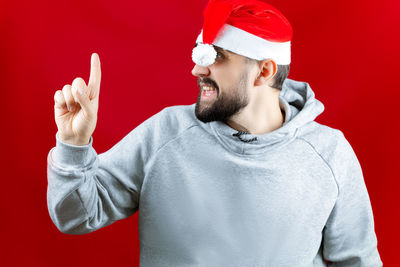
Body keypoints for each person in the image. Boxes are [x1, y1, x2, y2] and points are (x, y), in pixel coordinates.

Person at [47, 0, 382, 266]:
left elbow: (358, 261)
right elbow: (76, 216)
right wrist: (73, 145)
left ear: (263, 71)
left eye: (214, 57)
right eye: (198, 54)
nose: (196, 69)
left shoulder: (330, 154)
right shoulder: (165, 134)